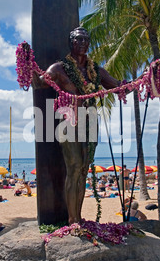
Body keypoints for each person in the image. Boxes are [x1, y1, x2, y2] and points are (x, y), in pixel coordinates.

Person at [35, 27, 131, 225]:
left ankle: (78, 217)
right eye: (78, 39)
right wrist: (26, 64)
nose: (83, 43)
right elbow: (39, 84)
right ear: (71, 42)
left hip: (91, 119)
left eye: (86, 40)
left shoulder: (95, 70)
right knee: (74, 167)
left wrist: (142, 79)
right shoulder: (59, 68)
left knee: (84, 169)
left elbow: (117, 87)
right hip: (69, 119)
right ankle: (72, 220)